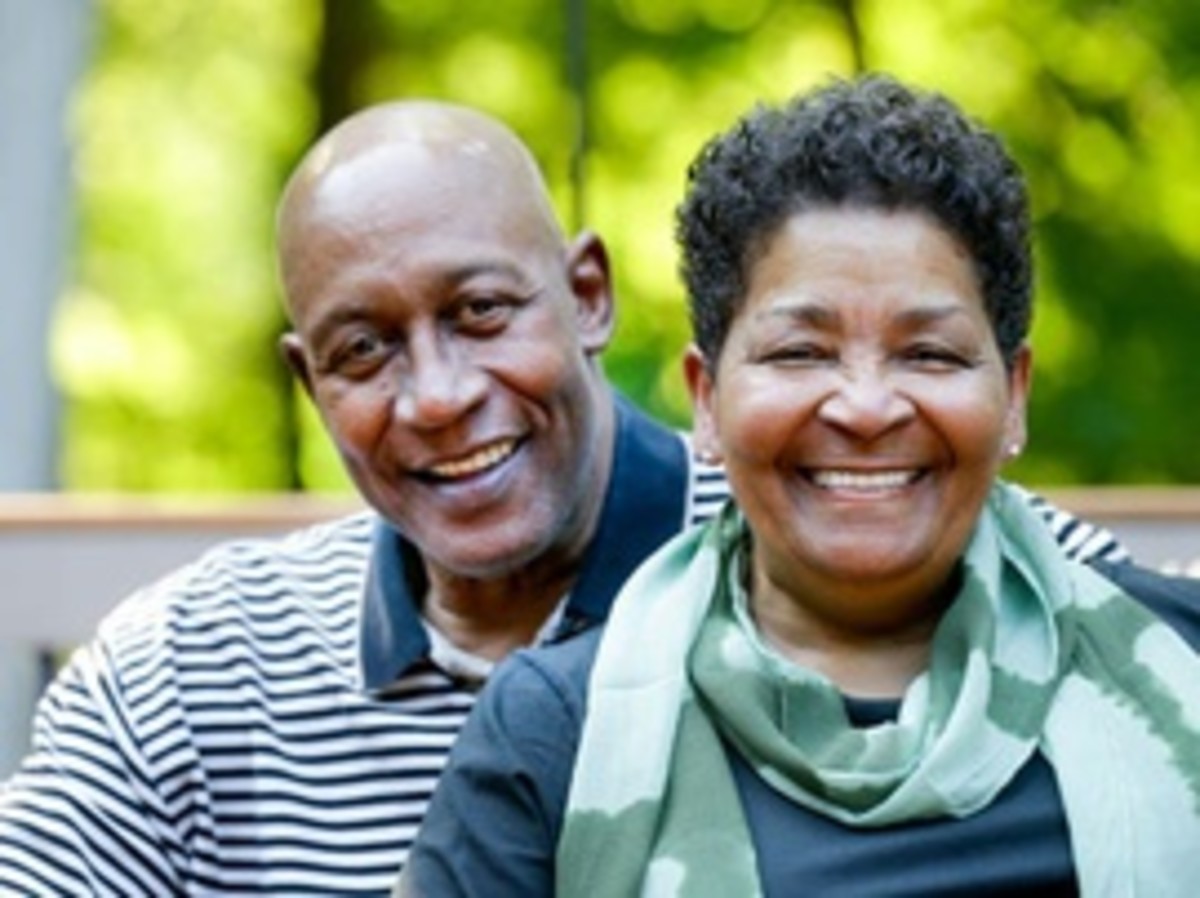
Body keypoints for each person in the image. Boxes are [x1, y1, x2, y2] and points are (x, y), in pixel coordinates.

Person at [0, 98, 1138, 896]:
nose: (439, 397)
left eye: (483, 313)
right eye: (364, 350)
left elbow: (1136, 629)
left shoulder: (827, 533)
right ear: (309, 380)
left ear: (587, 295)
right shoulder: (182, 672)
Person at [398, 76, 1200, 897]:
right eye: (799, 353)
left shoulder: (1178, 661)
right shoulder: (557, 731)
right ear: (707, 400)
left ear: (1015, 397)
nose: (864, 406)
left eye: (929, 354)